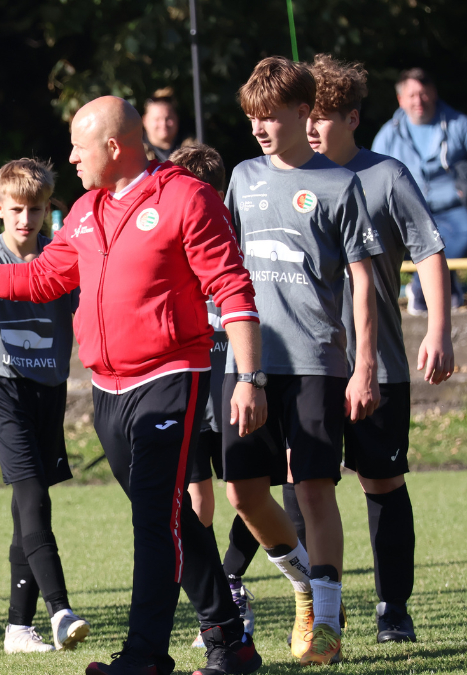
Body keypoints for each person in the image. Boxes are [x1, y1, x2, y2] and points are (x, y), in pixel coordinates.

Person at [0, 95, 265, 675]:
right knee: (170, 515)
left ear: (113, 147)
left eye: (77, 145)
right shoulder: (87, 209)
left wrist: (249, 377)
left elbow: (233, 289)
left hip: (171, 377)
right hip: (107, 389)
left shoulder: (187, 197)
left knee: (153, 517)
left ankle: (143, 656)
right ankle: (230, 641)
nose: (69, 157)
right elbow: (40, 277)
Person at [221, 57, 383, 666]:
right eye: (252, 118)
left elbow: (365, 280)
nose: (260, 128)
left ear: (301, 113)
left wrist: (364, 362)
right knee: (241, 491)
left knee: (314, 488)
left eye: (270, 116)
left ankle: (330, 624)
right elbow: (225, 265)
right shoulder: (241, 177)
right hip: (252, 360)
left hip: (318, 359)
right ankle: (302, 588)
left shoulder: (341, 184)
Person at [306, 54, 455, 643]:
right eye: (304, 115)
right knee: (307, 484)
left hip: (382, 367)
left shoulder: (387, 175)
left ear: (352, 117)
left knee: (382, 484)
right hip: (309, 366)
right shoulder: (287, 177)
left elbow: (430, 252)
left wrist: (439, 330)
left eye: (322, 116)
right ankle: (320, 608)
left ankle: (393, 607)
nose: (312, 127)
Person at [0, 158, 90, 655]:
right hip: (1, 383)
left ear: (48, 209)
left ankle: (17, 628)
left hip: (48, 387)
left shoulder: (60, 255)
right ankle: (60, 610)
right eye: (16, 209)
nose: (25, 219)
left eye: (35, 209)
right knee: (34, 497)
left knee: (23, 506)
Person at [167, 143, 260, 644]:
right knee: (194, 502)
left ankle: (233, 578)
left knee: (245, 494)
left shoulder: (232, 234)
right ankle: (219, 601)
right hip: (187, 388)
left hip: (232, 385)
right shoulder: (167, 238)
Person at [372, 68, 467, 313]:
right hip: (408, 210)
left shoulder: (459, 124)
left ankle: (423, 289)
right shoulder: (388, 134)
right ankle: (444, 290)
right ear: (401, 100)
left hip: (454, 209)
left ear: (433, 93)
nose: (418, 101)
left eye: (424, 94)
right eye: (412, 95)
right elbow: (373, 176)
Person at [142, 88, 187, 162]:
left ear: (176, 118)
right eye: (157, 119)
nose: (163, 124)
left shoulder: (193, 150)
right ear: (145, 121)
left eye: (168, 118)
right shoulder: (137, 153)